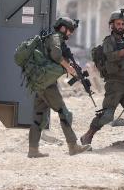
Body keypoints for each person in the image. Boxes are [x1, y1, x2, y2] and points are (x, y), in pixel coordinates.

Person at [80, 9, 124, 152]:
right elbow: (111, 56)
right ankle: (87, 136)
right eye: (117, 23)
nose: (120, 26)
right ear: (112, 25)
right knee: (107, 116)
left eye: (122, 24)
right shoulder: (108, 41)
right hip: (114, 84)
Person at [27, 17, 91, 158]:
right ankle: (73, 146)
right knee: (64, 112)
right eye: (70, 31)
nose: (70, 34)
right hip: (47, 84)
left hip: (40, 82)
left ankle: (33, 149)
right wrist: (69, 68)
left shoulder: (51, 38)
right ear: (63, 28)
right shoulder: (55, 37)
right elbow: (56, 55)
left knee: (39, 115)